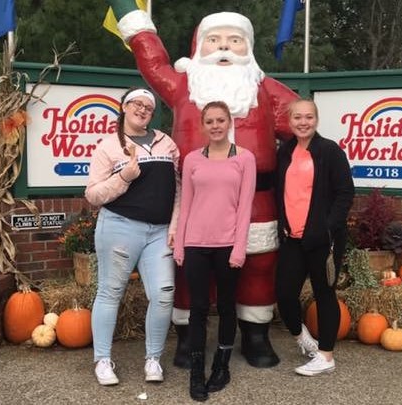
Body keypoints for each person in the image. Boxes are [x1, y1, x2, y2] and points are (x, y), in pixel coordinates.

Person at [107, 2, 298, 368]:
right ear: (198, 49)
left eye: (235, 41)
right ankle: (188, 337)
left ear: (250, 48)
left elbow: (302, 125)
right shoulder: (183, 87)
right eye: (214, 40)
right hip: (193, 200)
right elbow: (152, 61)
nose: (225, 48)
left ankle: (255, 336)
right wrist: (127, 11)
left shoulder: (267, 91)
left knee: (257, 267)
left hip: (255, 201)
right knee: (188, 271)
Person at [84, 88, 180, 386]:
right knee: (110, 293)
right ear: (124, 107)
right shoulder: (108, 146)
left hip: (160, 231)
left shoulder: (167, 142)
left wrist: (175, 224)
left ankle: (153, 359)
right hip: (120, 226)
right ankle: (102, 360)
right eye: (136, 103)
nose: (142, 109)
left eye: (148, 106)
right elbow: (93, 195)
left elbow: (177, 189)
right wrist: (125, 176)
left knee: (163, 295)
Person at [173, 101, 256, 401]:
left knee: (225, 306)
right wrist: (180, 244)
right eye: (210, 121)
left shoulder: (245, 159)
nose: (216, 126)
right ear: (203, 125)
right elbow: (186, 206)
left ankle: (222, 364)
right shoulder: (193, 159)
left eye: (221, 120)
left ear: (229, 123)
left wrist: (239, 249)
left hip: (227, 245)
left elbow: (245, 207)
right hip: (196, 244)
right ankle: (197, 368)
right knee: (197, 308)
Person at [274, 99, 354, 376]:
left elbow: (345, 193)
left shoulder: (329, 151)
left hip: (323, 240)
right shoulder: (284, 152)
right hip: (292, 239)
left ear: (316, 120)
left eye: (308, 117)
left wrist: (327, 227)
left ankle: (326, 356)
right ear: (290, 120)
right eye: (297, 117)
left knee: (324, 294)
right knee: (284, 295)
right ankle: (303, 339)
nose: (303, 122)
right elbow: (278, 192)